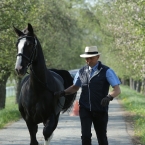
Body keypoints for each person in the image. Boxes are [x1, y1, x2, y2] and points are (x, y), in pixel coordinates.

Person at [54, 46, 121, 145]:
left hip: (100, 109)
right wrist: (63, 92)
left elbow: (117, 90)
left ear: (97, 57)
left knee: (101, 137)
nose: (88, 60)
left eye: (91, 58)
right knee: (85, 136)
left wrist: (109, 97)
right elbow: (75, 87)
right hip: (85, 108)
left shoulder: (106, 71)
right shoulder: (81, 72)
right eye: (86, 58)